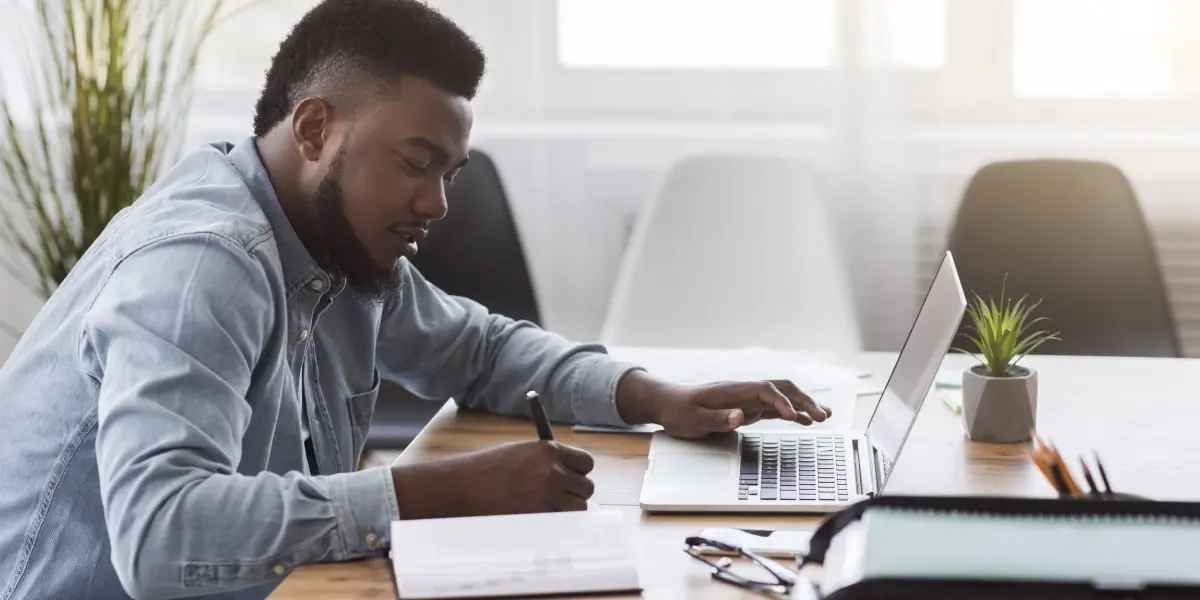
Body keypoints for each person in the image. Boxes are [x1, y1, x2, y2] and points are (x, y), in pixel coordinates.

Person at [0, 1, 831, 598]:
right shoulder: (201, 267)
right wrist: (443, 492)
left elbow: (481, 349)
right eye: (415, 161)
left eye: (450, 173)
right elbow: (162, 539)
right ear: (317, 128)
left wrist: (659, 397)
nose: (436, 204)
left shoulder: (335, 251)